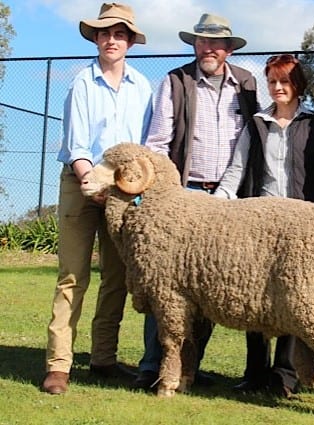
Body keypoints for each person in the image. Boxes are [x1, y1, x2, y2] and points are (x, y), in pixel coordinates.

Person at [132, 13, 258, 391]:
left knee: (210, 285)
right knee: (165, 285)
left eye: (217, 43)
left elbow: (253, 140)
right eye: (202, 41)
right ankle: (153, 367)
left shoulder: (247, 84)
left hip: (229, 198)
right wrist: (161, 197)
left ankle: (188, 368)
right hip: (184, 196)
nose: (209, 48)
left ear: (229, 49)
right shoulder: (175, 81)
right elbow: (156, 144)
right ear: (194, 45)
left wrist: (235, 191)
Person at [42, 3, 153, 395]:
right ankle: (59, 366)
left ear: (129, 42)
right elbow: (76, 146)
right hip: (80, 183)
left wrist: (122, 190)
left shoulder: (144, 87)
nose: (112, 39)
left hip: (122, 192)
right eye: (105, 33)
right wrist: (92, 185)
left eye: (120, 34)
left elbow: (143, 148)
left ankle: (103, 360)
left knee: (116, 277)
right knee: (73, 276)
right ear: (96, 38)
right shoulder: (82, 84)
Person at [213, 54, 314, 396]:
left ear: (298, 85)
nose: (278, 88)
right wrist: (216, 206)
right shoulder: (256, 123)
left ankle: (284, 376)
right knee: (254, 296)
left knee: (291, 298)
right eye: (272, 81)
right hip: (258, 225)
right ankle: (253, 374)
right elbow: (236, 170)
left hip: (302, 226)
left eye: (285, 81)